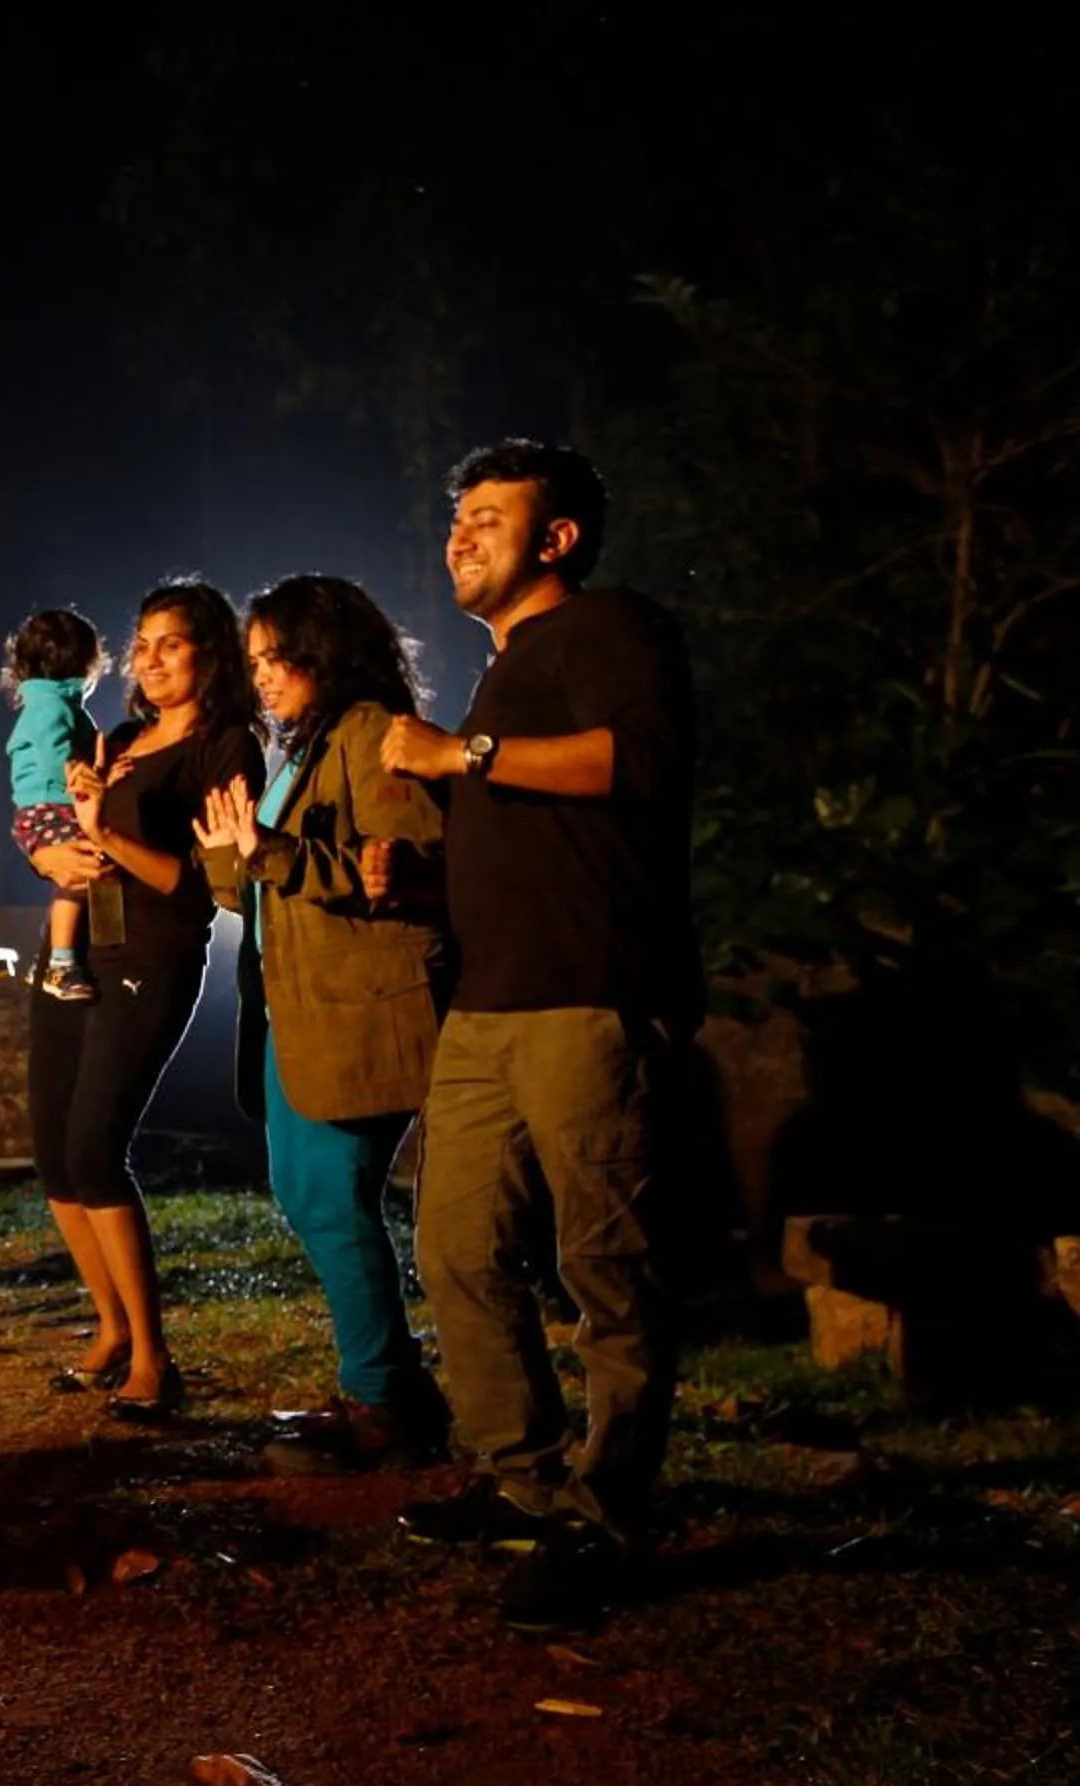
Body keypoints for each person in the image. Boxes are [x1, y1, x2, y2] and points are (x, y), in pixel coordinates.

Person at [376, 440, 697, 1632]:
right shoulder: (502, 673)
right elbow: (528, 838)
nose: (459, 534)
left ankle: (608, 1513)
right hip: (490, 1007)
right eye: (454, 517)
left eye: (489, 517)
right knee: (457, 1247)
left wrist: (463, 755)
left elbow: (637, 764)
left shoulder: (612, 626)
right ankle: (524, 1477)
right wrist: (423, 877)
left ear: (556, 538)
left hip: (594, 996)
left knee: (609, 1265)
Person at [193, 575, 451, 1472]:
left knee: (336, 1200)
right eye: (254, 660)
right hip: (292, 1011)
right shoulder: (301, 749)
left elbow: (407, 865)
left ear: (325, 651)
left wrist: (277, 853)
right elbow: (271, 876)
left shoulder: (373, 734)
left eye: (277, 658)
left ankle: (383, 1401)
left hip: (353, 1011)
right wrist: (232, 857)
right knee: (314, 1198)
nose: (261, 676)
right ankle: (392, 1386)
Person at [25, 582, 267, 1413]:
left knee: (96, 1148)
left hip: (151, 958)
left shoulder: (224, 747)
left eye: (172, 642)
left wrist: (106, 833)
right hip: (76, 952)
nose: (152, 657)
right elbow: (70, 838)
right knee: (54, 1154)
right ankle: (110, 1327)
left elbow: (198, 890)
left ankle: (155, 1360)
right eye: (144, 641)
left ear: (211, 652)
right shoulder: (121, 737)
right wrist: (55, 857)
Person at [2, 608, 106, 1002]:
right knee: (77, 875)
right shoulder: (53, 707)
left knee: (78, 879)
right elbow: (55, 758)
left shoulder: (53, 704)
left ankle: (56, 959)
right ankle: (59, 964)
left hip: (49, 806)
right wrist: (90, 785)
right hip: (50, 807)